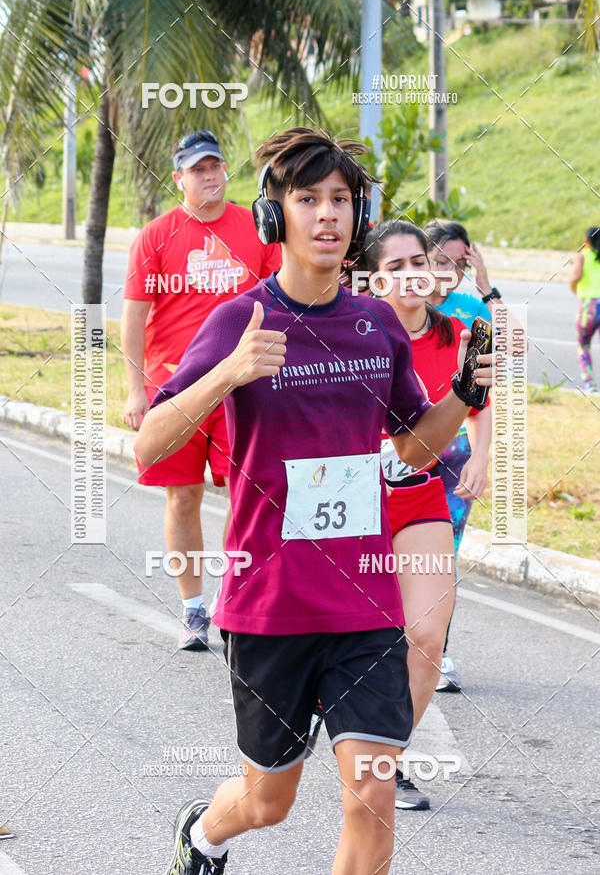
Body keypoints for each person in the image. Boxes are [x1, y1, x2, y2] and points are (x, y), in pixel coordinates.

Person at [134, 127, 494, 875]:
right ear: (276, 216)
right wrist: (229, 374)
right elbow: (150, 446)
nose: (327, 215)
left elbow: (412, 451)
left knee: (372, 795)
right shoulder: (241, 322)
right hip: (270, 603)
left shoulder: (376, 328)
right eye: (308, 199)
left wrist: (463, 396)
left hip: (364, 604)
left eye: (341, 200)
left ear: (358, 217)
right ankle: (204, 833)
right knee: (269, 802)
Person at [121, 130, 281, 650]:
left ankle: (235, 598)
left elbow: (279, 299)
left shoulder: (254, 228)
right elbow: (134, 316)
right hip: (176, 388)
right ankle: (194, 607)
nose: (208, 175)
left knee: (247, 493)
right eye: (197, 169)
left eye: (214, 166)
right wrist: (134, 391)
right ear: (179, 179)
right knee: (183, 497)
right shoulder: (156, 235)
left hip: (242, 385)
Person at [362, 220, 491, 811]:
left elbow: (476, 401)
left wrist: (482, 456)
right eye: (396, 267)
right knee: (355, 637)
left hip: (419, 494)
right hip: (350, 503)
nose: (412, 276)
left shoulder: (458, 331)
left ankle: (387, 759)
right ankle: (340, 722)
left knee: (427, 635)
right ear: (371, 277)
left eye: (420, 262)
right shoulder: (350, 331)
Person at [423, 220, 497, 691]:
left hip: (453, 455)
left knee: (442, 556)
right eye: (438, 262)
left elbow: (506, 357)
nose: (447, 272)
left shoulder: (470, 309)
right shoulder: (394, 307)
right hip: (395, 451)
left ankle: (438, 652)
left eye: (458, 263)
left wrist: (481, 457)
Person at [570, 226, 600, 394]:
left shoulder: (581, 256)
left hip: (588, 306)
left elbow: (576, 276)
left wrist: (573, 287)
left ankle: (590, 384)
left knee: (583, 344)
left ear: (587, 241)